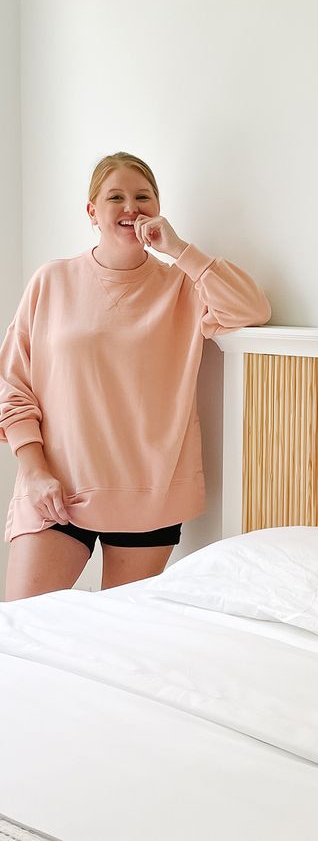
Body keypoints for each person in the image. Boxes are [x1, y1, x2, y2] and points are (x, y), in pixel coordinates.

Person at [0, 152, 271, 601]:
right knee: (18, 633)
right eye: (116, 197)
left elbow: (251, 309)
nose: (131, 207)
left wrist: (180, 250)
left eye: (143, 196)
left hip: (149, 495)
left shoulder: (181, 286)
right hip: (55, 489)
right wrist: (33, 470)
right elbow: (12, 383)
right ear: (92, 211)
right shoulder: (52, 280)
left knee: (119, 645)